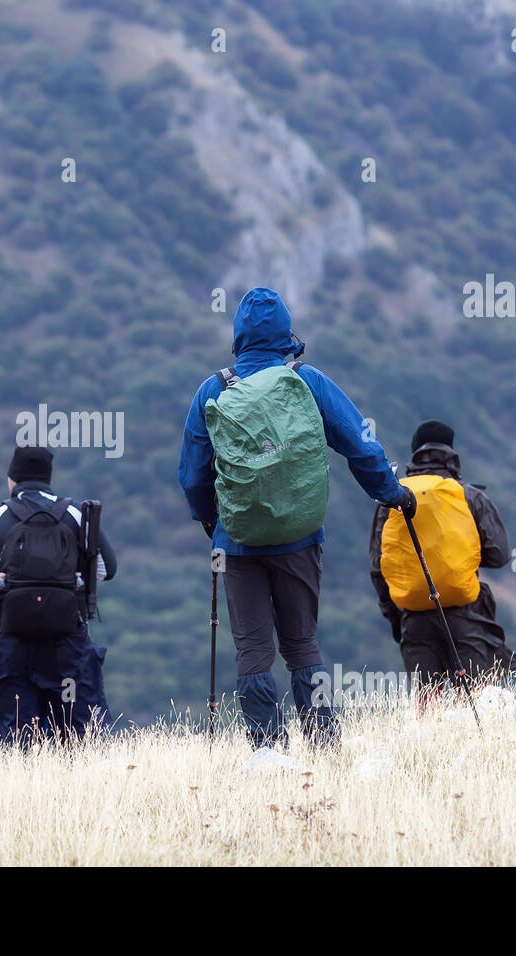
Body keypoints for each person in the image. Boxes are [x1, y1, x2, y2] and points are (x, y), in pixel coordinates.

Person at [178, 287, 412, 749]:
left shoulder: (214, 389)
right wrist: (392, 494)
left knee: (252, 650)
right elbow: (360, 443)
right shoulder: (308, 381)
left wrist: (213, 524)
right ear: (286, 332)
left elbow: (191, 476)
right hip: (300, 538)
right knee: (302, 645)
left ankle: (267, 750)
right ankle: (323, 741)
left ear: (239, 337)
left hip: (238, 544)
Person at [369, 420, 516, 706]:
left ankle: (432, 746)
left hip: (414, 617)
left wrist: (397, 619)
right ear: (452, 453)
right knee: (477, 700)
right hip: (466, 615)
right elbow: (500, 555)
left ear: (415, 454)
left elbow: (379, 568)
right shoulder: (469, 495)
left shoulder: (392, 501)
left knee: (429, 705)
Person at [0, 446, 117, 743]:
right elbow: (107, 570)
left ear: (11, 479)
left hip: (12, 646)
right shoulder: (78, 514)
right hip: (68, 646)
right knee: (78, 738)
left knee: (16, 738)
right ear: (48, 478)